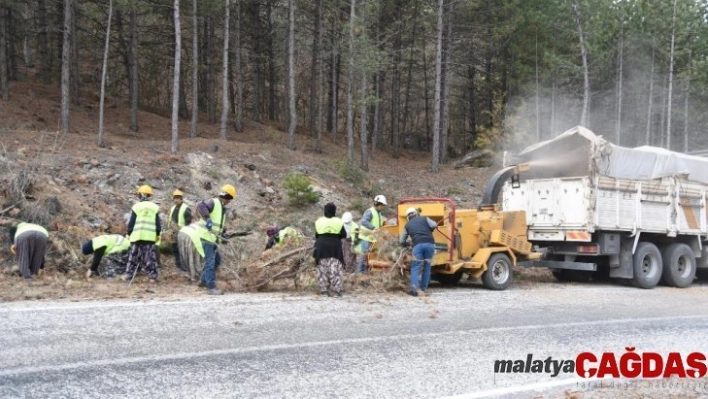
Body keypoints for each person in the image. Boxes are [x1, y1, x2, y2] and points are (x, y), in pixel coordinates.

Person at [196, 184, 236, 295]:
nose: (230, 202)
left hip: (212, 238)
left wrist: (223, 234)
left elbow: (218, 225)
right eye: (230, 199)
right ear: (227, 197)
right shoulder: (214, 202)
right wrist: (207, 219)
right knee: (210, 262)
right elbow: (200, 206)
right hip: (206, 236)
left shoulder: (222, 208)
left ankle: (203, 280)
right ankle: (211, 287)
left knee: (216, 260)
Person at [123, 185, 161, 283]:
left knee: (133, 256)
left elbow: (131, 222)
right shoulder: (155, 207)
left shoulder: (136, 206)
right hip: (149, 237)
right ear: (149, 195)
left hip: (137, 236)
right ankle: (152, 276)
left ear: (140, 195)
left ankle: (128, 275)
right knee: (149, 257)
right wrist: (157, 234)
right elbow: (158, 224)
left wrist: (129, 233)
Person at [400, 207, 438, 297]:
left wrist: (405, 244)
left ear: (408, 217)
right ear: (416, 213)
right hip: (430, 244)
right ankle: (423, 289)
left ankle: (414, 290)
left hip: (418, 245)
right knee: (427, 266)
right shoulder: (424, 218)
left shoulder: (407, 225)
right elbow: (434, 225)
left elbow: (401, 240)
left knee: (415, 267)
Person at [314, 202, 347, 297]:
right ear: (334, 211)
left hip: (321, 246)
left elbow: (316, 235)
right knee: (335, 268)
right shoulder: (338, 221)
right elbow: (344, 235)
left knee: (322, 268)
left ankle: (324, 290)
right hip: (335, 247)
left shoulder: (318, 221)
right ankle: (336, 291)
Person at [356, 195, 387, 273]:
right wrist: (373, 228)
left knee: (370, 257)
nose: (383, 207)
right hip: (366, 238)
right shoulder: (370, 211)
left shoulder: (379, 213)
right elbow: (364, 221)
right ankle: (360, 274)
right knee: (364, 257)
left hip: (373, 239)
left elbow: (378, 224)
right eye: (382, 205)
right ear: (378, 204)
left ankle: (366, 273)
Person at [167, 189, 192, 272]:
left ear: (181, 199)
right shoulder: (172, 208)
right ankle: (178, 264)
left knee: (182, 249)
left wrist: (184, 230)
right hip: (173, 232)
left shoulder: (186, 208)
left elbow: (188, 221)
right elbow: (170, 220)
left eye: (178, 198)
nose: (176, 200)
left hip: (182, 232)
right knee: (175, 248)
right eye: (175, 198)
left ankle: (184, 265)